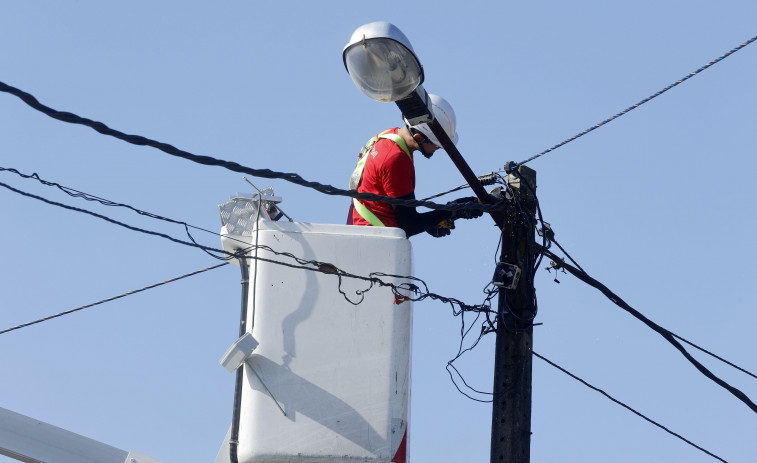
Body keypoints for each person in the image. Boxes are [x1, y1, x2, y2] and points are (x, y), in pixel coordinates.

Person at [347, 94, 483, 238]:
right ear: (419, 137)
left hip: (360, 230)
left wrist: (430, 222)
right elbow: (409, 225)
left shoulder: (388, 137)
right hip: (375, 240)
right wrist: (453, 209)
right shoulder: (396, 159)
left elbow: (402, 213)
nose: (438, 148)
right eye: (437, 144)